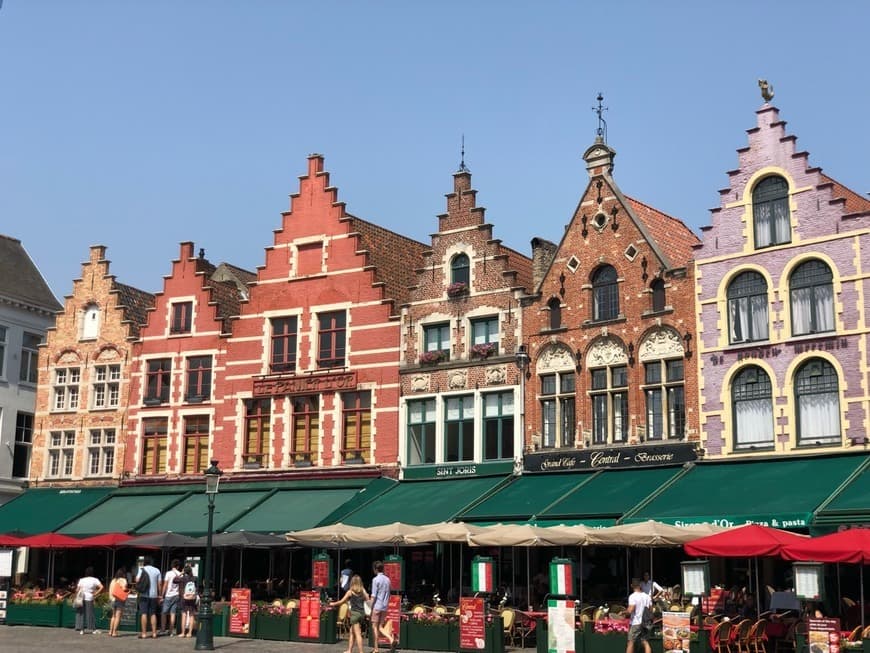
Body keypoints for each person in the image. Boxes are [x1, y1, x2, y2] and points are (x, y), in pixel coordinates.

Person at [330, 574, 370, 653]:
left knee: (358, 634)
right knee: (352, 632)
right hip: (361, 613)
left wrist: (333, 604)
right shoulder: (363, 590)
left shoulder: (350, 592)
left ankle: (361, 652)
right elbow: (368, 599)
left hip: (354, 614)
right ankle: (349, 650)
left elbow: (341, 601)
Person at [135, 555, 162, 639]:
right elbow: (160, 584)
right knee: (153, 614)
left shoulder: (141, 569)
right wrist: (160, 595)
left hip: (144, 594)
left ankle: (144, 633)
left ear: (144, 563)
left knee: (144, 613)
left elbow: (137, 580)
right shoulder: (157, 570)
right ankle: (154, 633)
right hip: (154, 595)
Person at [623, 579, 652, 653]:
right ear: (640, 585)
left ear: (631, 586)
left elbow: (630, 610)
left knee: (631, 642)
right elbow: (651, 610)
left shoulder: (632, 596)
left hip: (636, 622)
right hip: (646, 622)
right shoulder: (647, 596)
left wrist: (623, 612)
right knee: (645, 642)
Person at [74, 566, 104, 635]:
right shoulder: (95, 580)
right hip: (89, 597)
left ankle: (82, 630)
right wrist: (96, 593)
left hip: (81, 598)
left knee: (81, 613)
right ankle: (93, 629)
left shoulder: (82, 579)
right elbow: (102, 587)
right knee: (90, 614)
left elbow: (77, 590)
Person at [370, 561, 392, 653]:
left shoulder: (375, 580)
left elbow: (374, 595)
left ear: (375, 569)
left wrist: (370, 607)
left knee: (375, 627)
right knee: (380, 627)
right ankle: (391, 639)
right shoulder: (388, 580)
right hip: (385, 606)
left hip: (377, 606)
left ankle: (376, 648)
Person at [173, 564, 199, 638]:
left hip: (184, 598)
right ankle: (190, 633)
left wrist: (181, 573)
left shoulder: (183, 578)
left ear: (185, 571)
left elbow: (174, 580)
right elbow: (197, 588)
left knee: (184, 615)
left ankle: (183, 633)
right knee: (191, 615)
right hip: (192, 598)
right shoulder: (194, 578)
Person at [160, 559, 182, 636]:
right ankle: (171, 631)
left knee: (164, 613)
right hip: (176, 595)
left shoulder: (168, 573)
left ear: (172, 565)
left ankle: (163, 629)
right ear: (178, 566)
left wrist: (161, 595)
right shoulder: (180, 574)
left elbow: (165, 585)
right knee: (173, 613)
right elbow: (180, 587)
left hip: (168, 595)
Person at [108, 567, 130, 637]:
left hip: (112, 599)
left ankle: (110, 631)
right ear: (123, 574)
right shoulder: (123, 580)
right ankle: (114, 632)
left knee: (113, 616)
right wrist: (128, 590)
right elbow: (124, 589)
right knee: (118, 616)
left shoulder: (113, 580)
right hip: (119, 600)